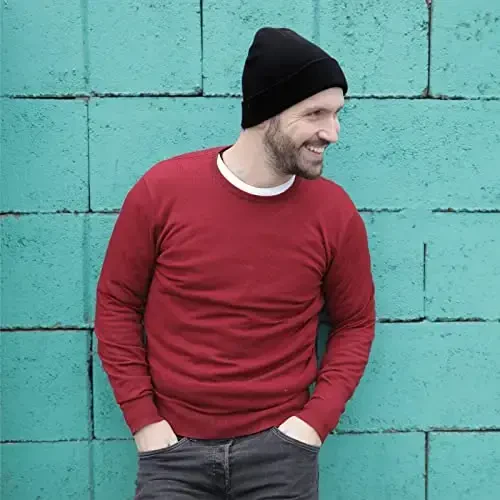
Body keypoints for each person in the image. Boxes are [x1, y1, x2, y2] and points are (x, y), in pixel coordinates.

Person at [95, 26, 376, 500]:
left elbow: (355, 323)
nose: (332, 132)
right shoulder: (163, 192)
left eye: (336, 114)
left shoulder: (334, 213)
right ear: (268, 113)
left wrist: (312, 425)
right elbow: (117, 305)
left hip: (281, 458)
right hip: (173, 456)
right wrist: (144, 422)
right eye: (316, 114)